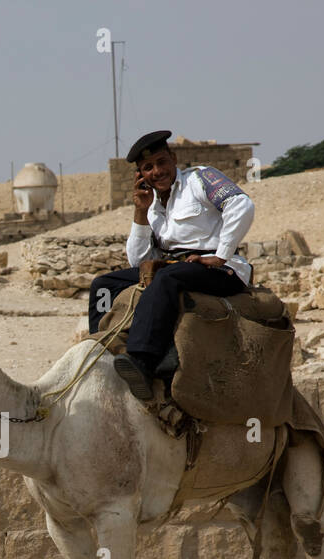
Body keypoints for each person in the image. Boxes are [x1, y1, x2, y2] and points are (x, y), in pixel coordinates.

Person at [88, 129, 255, 401]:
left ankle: (142, 361)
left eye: (162, 162)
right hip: (176, 269)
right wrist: (140, 212)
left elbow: (241, 205)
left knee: (168, 277)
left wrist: (221, 255)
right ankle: (102, 350)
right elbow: (139, 262)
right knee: (104, 284)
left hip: (218, 270)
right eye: (148, 167)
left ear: (173, 158)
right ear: (141, 174)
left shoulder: (200, 178)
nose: (157, 171)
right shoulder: (151, 205)